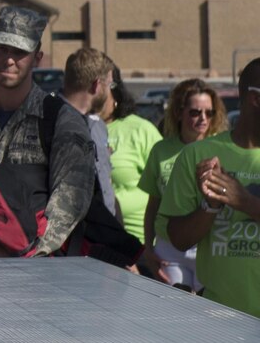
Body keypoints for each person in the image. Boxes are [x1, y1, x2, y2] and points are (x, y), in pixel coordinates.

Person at [0, 6, 94, 258]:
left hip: (44, 272)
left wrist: (28, 253)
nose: (9, 59)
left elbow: (71, 201)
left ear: (37, 57)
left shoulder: (61, 122)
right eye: (2, 49)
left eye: (20, 52)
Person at [161, 58, 260, 319]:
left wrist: (246, 202)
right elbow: (179, 240)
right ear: (255, 99)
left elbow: (245, 202)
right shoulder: (198, 155)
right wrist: (210, 205)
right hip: (220, 318)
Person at [141, 78, 226, 289]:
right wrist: (148, 248)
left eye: (209, 112)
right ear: (179, 112)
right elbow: (153, 204)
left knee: (206, 315)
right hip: (169, 247)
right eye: (195, 112)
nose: (203, 119)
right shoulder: (161, 150)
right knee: (174, 313)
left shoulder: (221, 149)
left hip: (208, 245)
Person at [105, 67, 163, 247]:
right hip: (95, 240)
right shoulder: (76, 126)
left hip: (138, 241)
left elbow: (164, 186)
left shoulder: (141, 130)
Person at [60, 47, 119, 219]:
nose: (110, 92)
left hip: (104, 234)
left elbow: (105, 186)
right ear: (96, 85)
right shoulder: (52, 122)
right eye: (109, 85)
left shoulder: (98, 125)